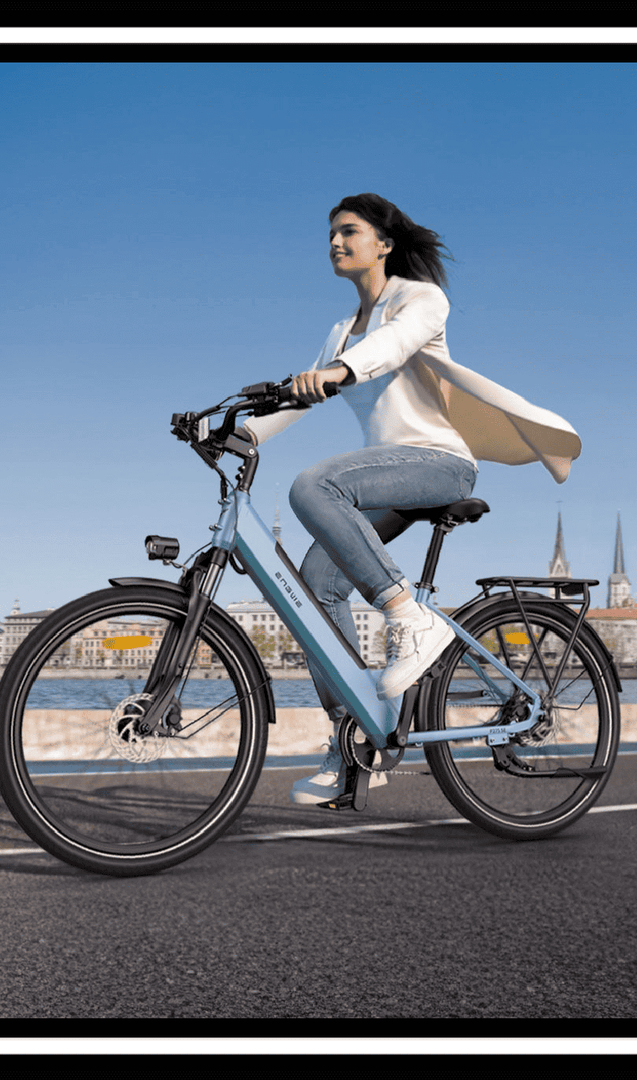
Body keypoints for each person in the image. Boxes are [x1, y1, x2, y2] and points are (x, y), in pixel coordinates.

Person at [241, 193, 582, 806]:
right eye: (330, 235)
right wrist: (235, 430)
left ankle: (409, 618)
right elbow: (295, 399)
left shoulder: (420, 300)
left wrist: (339, 372)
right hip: (386, 476)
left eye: (349, 231)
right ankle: (354, 741)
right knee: (315, 585)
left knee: (313, 486)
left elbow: (390, 348)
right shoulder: (340, 331)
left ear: (385, 243)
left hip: (439, 465)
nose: (335, 243)